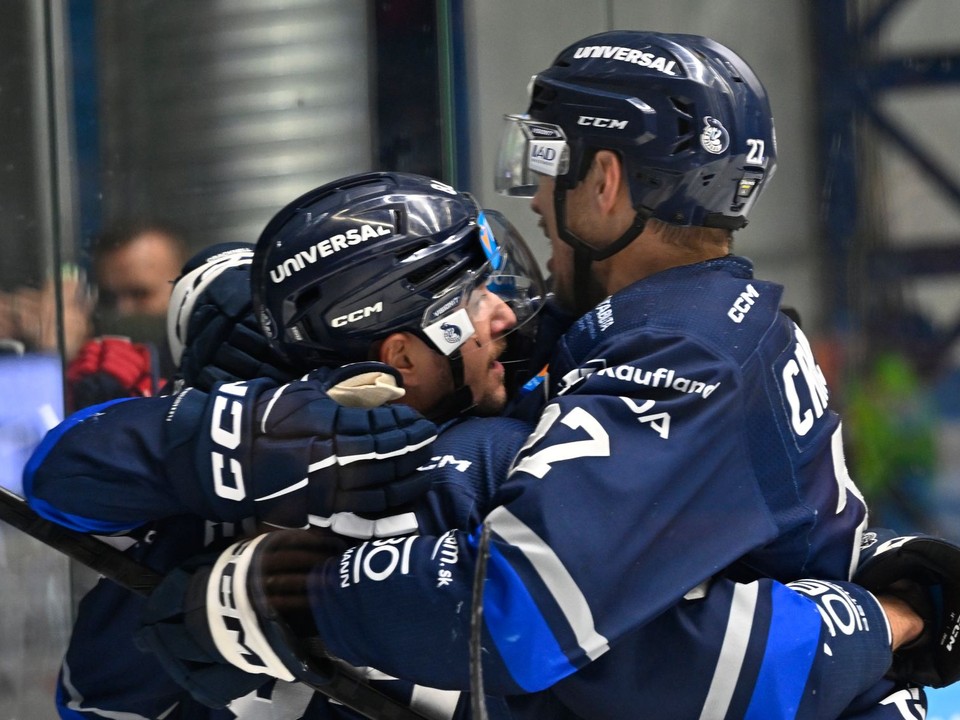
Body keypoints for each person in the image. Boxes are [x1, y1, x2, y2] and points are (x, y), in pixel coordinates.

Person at [124, 32, 960, 720]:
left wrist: (281, 595)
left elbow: (519, 609)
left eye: (548, 157)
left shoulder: (685, 357)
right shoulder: (672, 326)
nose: (532, 195)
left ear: (605, 182)